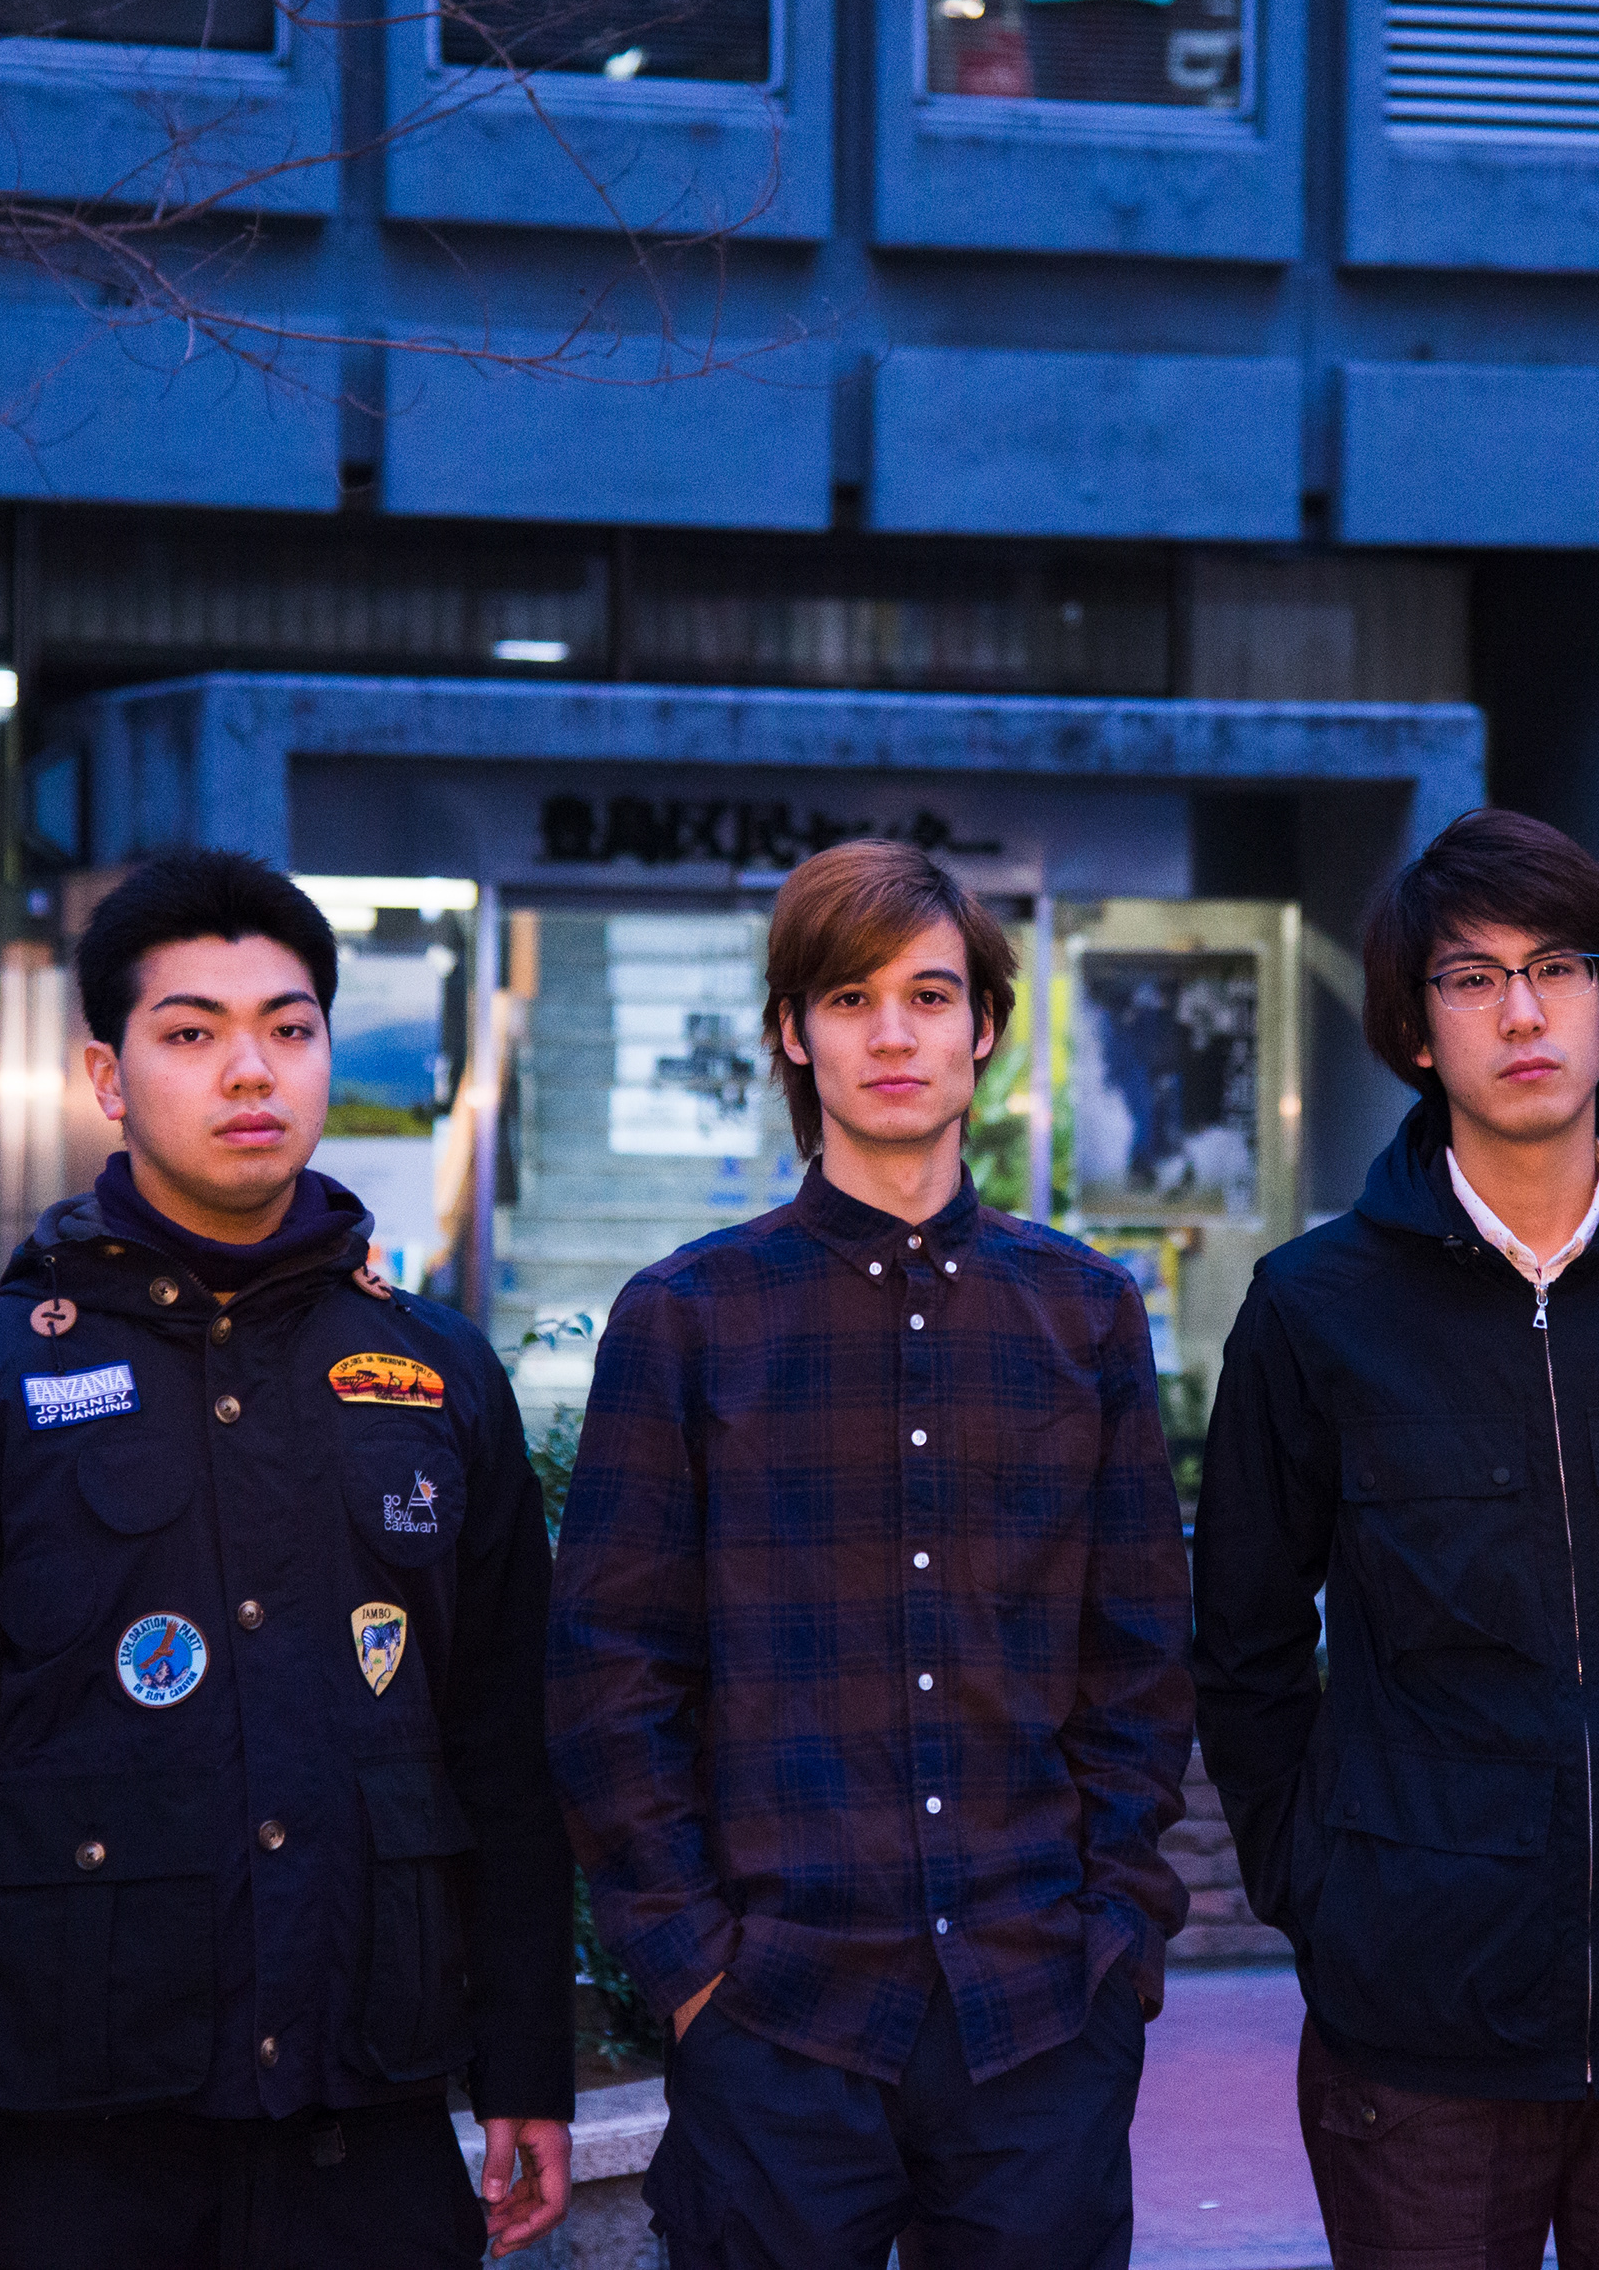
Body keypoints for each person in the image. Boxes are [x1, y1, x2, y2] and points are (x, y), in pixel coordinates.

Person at [0, 849, 572, 2270]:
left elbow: (506, 1749)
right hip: (74, 2137)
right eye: (191, 1033)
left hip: (370, 2119)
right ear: (107, 1078)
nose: (251, 1071)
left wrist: (527, 2060)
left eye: (290, 1030)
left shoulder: (437, 1374)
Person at [1192, 807, 1599, 2270]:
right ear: (1416, 1030)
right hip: (1416, 2022)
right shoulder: (1315, 1309)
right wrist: (1320, 1888)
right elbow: (1244, 1644)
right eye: (1472, 979)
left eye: (1558, 968)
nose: (1524, 1013)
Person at [548, 838, 1194, 2270]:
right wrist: (691, 1970)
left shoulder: (1085, 1314)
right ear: (794, 1032)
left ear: (984, 1029)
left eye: (928, 996)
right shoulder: (688, 1318)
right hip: (775, 2017)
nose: (892, 1034)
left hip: (1039, 2011)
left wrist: (1117, 1942)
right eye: (850, 998)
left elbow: (1141, 1660)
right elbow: (611, 1674)